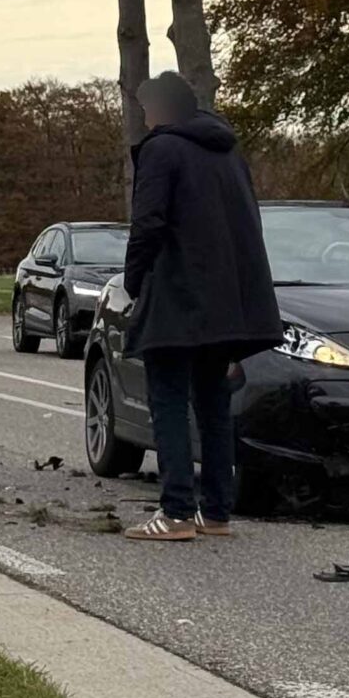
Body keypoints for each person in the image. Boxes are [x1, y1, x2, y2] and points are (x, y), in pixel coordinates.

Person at [119, 72, 282, 542]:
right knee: (213, 403)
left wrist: (135, 281)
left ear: (162, 110)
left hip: (177, 294)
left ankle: (174, 513)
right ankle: (216, 511)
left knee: (167, 400)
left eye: (147, 109)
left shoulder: (162, 149)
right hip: (227, 299)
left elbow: (148, 221)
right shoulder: (227, 151)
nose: (144, 118)